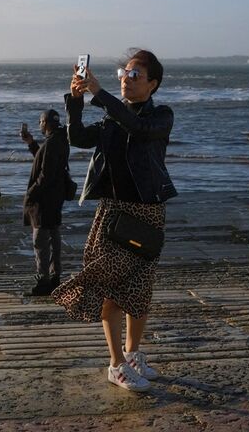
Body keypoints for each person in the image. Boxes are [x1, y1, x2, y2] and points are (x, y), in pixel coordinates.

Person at [52, 48, 177, 393]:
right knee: (112, 288)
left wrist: (99, 93)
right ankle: (116, 364)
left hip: (148, 211)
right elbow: (76, 138)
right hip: (113, 214)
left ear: (152, 84)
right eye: (124, 72)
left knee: (140, 290)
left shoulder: (161, 116)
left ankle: (133, 354)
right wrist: (76, 101)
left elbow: (136, 125)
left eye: (135, 74)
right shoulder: (110, 118)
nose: (126, 78)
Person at [21, 109, 70, 296]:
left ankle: (44, 281)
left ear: (46, 123)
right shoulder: (60, 140)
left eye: (41, 122)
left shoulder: (52, 143)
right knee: (53, 234)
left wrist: (31, 193)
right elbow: (46, 161)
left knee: (41, 240)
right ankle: (54, 277)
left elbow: (45, 173)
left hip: (45, 198)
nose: (40, 125)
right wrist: (32, 144)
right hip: (55, 196)